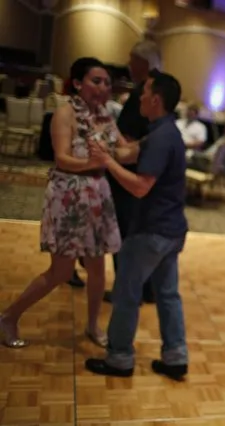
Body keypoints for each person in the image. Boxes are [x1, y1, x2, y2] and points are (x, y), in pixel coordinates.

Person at [0, 57, 132, 348]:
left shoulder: (106, 117)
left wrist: (149, 145)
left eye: (107, 83)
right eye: (96, 81)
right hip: (70, 196)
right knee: (60, 272)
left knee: (98, 269)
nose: (103, 88)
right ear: (77, 83)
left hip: (98, 197)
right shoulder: (65, 113)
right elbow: (62, 158)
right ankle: (9, 316)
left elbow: (123, 151)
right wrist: (95, 162)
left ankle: (93, 326)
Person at [84, 70, 189, 381]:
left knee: (126, 293)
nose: (139, 98)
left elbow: (141, 186)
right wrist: (106, 124)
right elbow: (128, 151)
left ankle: (119, 358)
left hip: (151, 231)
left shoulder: (160, 137)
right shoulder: (166, 131)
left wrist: (107, 163)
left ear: (155, 99)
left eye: (143, 94)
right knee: (168, 294)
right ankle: (175, 357)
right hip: (171, 231)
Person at [102, 39, 163, 304]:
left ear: (144, 63)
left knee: (126, 237)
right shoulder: (156, 92)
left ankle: (128, 290)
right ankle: (143, 288)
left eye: (132, 59)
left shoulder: (143, 94)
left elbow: (127, 141)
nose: (128, 64)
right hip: (144, 176)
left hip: (131, 177)